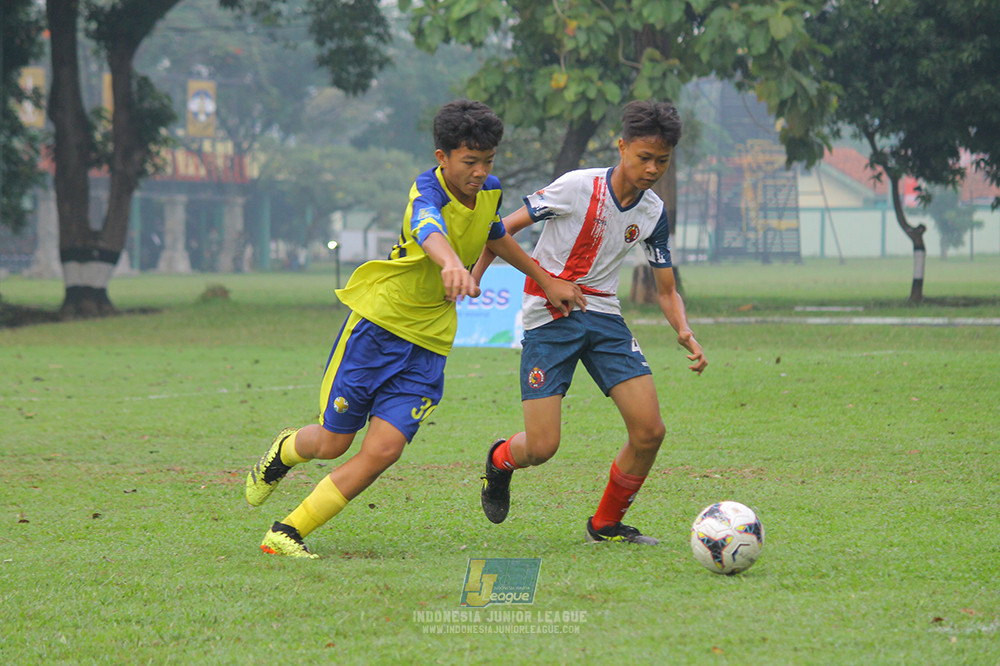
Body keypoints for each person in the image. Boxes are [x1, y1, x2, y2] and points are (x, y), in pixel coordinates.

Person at [245, 99, 586, 558]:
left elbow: (492, 232)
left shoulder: (490, 189)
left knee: (384, 450)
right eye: (470, 162)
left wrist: (546, 280)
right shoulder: (425, 191)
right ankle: (285, 450)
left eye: (487, 161)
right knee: (332, 442)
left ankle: (286, 532)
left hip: (428, 344)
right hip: (378, 328)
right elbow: (430, 230)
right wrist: (450, 265)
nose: (480, 171)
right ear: (442, 158)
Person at [475, 99, 708, 545]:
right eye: (644, 157)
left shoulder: (653, 212)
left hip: (604, 317)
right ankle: (500, 461)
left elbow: (665, 288)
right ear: (621, 147)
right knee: (542, 448)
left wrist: (683, 330)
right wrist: (476, 275)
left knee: (649, 431)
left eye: (662, 160)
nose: (652, 168)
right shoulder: (576, 187)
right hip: (549, 315)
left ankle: (605, 524)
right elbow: (498, 231)